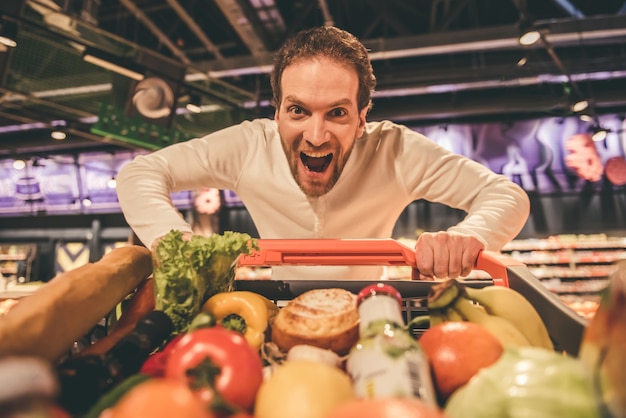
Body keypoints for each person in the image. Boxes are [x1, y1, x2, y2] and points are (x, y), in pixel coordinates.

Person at [116, 26, 530, 281]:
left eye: (336, 113)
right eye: (298, 111)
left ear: (362, 117)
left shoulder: (396, 149)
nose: (315, 135)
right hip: (277, 308)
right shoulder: (248, 145)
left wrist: (466, 236)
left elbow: (508, 196)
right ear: (276, 113)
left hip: (371, 308)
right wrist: (172, 238)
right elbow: (141, 173)